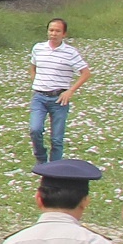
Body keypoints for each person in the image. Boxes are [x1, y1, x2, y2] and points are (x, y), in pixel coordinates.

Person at [25, 17, 93, 166]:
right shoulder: (38, 48)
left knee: (57, 138)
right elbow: (33, 66)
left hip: (59, 99)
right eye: (51, 30)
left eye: (57, 31)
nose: (53, 33)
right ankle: (41, 159)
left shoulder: (70, 52)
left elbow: (86, 73)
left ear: (64, 34)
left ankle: (55, 167)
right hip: (40, 97)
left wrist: (70, 91)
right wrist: (36, 81)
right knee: (35, 129)